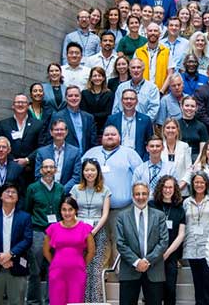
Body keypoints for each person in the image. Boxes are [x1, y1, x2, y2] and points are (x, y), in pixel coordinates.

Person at [82, 126, 143, 263]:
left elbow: (140, 178)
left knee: (120, 241)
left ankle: (118, 277)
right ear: (101, 137)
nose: (109, 136)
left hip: (122, 209)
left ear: (119, 137)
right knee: (98, 244)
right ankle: (101, 278)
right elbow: (80, 177)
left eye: (113, 134)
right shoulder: (90, 153)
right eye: (106, 134)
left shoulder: (130, 154)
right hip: (95, 210)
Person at [116, 182, 169, 305]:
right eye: (137, 194)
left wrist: (147, 261)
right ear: (133, 196)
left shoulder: (159, 216)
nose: (141, 197)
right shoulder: (122, 216)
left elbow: (163, 241)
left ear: (148, 194)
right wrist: (136, 262)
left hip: (154, 270)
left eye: (144, 193)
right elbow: (120, 243)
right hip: (129, 270)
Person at [0, 182, 32, 305]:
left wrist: (10, 254)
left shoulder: (25, 217)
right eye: (7, 191)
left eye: (13, 192)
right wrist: (0, 257)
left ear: (18, 197)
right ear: (1, 196)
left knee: (17, 301)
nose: (10, 194)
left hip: (17, 265)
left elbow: (27, 240)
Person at [69, 159, 111, 303]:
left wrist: (93, 232)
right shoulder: (75, 189)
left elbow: (105, 214)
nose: (89, 173)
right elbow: (71, 211)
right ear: (82, 172)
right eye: (87, 170)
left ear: (98, 172)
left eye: (92, 170)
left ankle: (96, 301)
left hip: (98, 230)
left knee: (96, 268)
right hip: (78, 231)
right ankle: (81, 301)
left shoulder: (105, 190)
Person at [25, 158, 65, 305]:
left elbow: (63, 211)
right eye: (45, 167)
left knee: (54, 270)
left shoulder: (60, 188)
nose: (48, 170)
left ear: (55, 170)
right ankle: (33, 301)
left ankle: (51, 301)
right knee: (35, 270)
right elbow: (27, 210)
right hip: (38, 231)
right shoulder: (32, 188)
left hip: (56, 233)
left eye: (51, 167)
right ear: (40, 170)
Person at [43, 197, 95, 305]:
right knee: (56, 301)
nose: (67, 213)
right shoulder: (53, 228)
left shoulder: (84, 228)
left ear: (76, 210)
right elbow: (46, 251)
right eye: (64, 209)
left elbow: (91, 251)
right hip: (57, 273)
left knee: (76, 302)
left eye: (70, 209)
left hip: (77, 273)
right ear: (60, 211)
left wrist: (82, 264)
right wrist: (54, 263)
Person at [183, 172, 209, 305]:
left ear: (206, 183)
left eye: (202, 182)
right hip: (192, 247)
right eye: (196, 182)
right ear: (192, 184)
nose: (199, 185)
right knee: (197, 284)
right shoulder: (186, 202)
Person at [149, 176, 186, 305]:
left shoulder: (179, 209)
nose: (167, 190)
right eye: (165, 187)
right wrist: (157, 253)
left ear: (175, 189)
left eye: (170, 187)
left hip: (170, 256)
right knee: (154, 292)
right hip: (153, 255)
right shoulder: (151, 205)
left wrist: (167, 253)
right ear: (160, 188)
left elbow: (181, 235)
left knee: (170, 290)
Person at [0, 93, 44, 172]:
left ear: (28, 106)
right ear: (13, 106)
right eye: (17, 102)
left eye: (23, 102)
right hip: (9, 169)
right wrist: (14, 162)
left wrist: (27, 160)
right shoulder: (3, 124)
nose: (20, 104)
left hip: (32, 169)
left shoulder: (38, 124)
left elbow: (42, 146)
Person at [34, 119, 81, 194]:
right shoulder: (42, 152)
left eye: (62, 129)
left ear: (66, 132)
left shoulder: (75, 152)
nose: (59, 132)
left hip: (67, 195)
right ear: (51, 132)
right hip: (46, 194)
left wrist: (61, 191)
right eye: (56, 130)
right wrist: (49, 190)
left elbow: (76, 177)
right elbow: (38, 175)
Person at [106, 88, 154, 159]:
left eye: (132, 99)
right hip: (117, 158)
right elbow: (107, 141)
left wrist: (144, 161)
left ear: (137, 101)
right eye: (126, 98)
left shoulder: (145, 120)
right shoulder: (112, 119)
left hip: (139, 159)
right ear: (122, 101)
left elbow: (150, 142)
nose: (129, 101)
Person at [50, 85, 97, 155]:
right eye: (70, 96)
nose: (74, 98)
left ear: (81, 97)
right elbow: (51, 139)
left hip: (86, 158)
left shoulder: (89, 117)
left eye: (76, 95)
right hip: (66, 157)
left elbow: (93, 141)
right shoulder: (57, 116)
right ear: (65, 98)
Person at [134, 22, 172, 91]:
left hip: (161, 92)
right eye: (150, 31)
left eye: (155, 31)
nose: (153, 33)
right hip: (142, 91)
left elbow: (170, 74)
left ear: (160, 34)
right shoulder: (138, 52)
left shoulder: (167, 52)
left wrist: (162, 91)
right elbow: (134, 72)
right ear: (146, 33)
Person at [81, 66, 115, 137]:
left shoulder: (109, 94)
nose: (97, 78)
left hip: (104, 128)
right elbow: (84, 112)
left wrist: (92, 115)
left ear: (103, 78)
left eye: (99, 76)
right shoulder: (84, 93)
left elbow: (108, 113)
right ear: (91, 78)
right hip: (88, 127)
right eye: (94, 76)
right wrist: (97, 115)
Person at [160, 118, 192, 191]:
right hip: (163, 191)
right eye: (168, 128)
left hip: (181, 190)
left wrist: (180, 185)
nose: (170, 130)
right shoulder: (159, 146)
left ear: (177, 130)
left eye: (173, 128)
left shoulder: (184, 146)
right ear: (164, 130)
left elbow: (189, 169)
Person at [178, 95, 209, 162]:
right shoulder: (176, 125)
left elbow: (203, 151)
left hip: (196, 158)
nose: (189, 108)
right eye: (187, 105)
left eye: (192, 106)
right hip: (178, 157)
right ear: (181, 107)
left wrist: (196, 164)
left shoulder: (201, 126)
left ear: (196, 108)